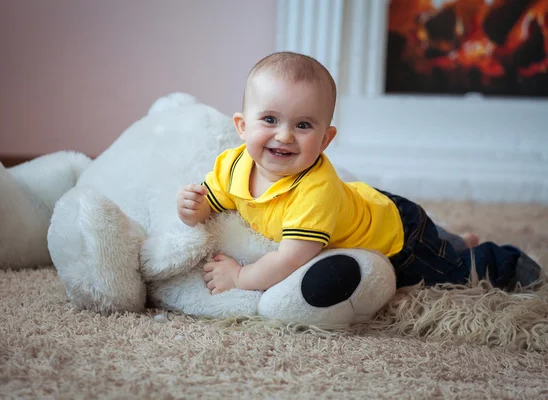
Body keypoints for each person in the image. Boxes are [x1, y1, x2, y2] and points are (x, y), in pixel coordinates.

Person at [177, 51, 542, 295]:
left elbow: (290, 258)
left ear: (325, 139)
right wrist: (192, 208)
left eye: (303, 125)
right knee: (443, 243)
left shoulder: (314, 191)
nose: (284, 135)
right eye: (269, 119)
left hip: (397, 237)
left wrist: (240, 277)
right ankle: (457, 239)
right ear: (241, 126)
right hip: (375, 203)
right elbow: (212, 200)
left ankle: (504, 260)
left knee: (453, 273)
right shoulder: (233, 163)